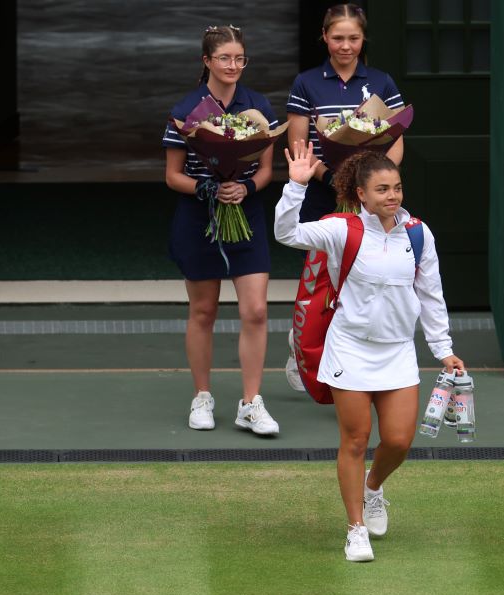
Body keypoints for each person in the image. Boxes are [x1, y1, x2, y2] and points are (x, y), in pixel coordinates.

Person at [275, 141, 463, 563]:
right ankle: (355, 528)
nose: (391, 196)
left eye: (396, 187)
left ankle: (373, 487)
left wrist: (443, 349)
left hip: (397, 352)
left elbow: (430, 294)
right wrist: (295, 186)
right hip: (350, 349)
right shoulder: (341, 230)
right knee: (356, 440)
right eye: (381, 189)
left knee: (397, 440)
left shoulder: (418, 232)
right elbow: (287, 233)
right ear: (361, 194)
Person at [162, 25, 279, 436]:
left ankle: (251, 402)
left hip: (246, 215)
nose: (233, 66)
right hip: (198, 218)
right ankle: (202, 396)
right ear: (207, 61)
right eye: (225, 58)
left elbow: (266, 169)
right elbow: (172, 176)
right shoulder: (185, 109)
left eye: (240, 59)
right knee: (204, 311)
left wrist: (244, 185)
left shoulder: (259, 105)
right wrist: (207, 186)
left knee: (257, 311)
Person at [286, 4, 406, 223]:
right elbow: (300, 146)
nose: (345, 46)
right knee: (324, 256)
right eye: (337, 38)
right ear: (324, 35)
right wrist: (332, 178)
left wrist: (375, 178)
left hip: (372, 197)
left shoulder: (383, 81)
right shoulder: (305, 82)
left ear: (363, 37)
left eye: (354, 38)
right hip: (321, 194)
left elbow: (396, 141)